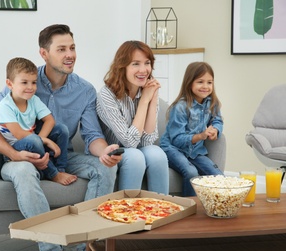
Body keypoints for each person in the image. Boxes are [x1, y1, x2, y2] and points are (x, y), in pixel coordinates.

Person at [0, 24, 121, 251]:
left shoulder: (85, 90)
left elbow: (92, 136)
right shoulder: (24, 80)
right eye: (62, 49)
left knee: (105, 168)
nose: (70, 55)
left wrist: (105, 151)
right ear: (44, 54)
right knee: (24, 171)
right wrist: (14, 155)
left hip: (61, 156)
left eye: (73, 48)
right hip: (21, 156)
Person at [96, 40, 169, 194]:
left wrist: (153, 98)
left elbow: (148, 141)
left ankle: (162, 209)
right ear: (122, 67)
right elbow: (129, 142)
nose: (143, 70)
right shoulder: (107, 94)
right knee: (135, 156)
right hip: (114, 151)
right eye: (135, 64)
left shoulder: (148, 89)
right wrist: (144, 101)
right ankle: (128, 212)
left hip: (136, 148)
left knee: (157, 154)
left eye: (147, 63)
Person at [0, 57, 76, 185]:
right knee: (33, 139)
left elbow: (50, 120)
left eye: (33, 82)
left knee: (62, 129)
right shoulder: (5, 106)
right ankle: (53, 174)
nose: (30, 87)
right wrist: (44, 140)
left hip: (34, 141)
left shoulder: (33, 100)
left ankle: (60, 169)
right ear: (10, 84)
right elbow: (19, 134)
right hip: (15, 148)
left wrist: (41, 138)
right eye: (24, 82)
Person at [160, 62, 224, 197]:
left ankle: (218, 205)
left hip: (195, 151)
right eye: (200, 82)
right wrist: (201, 136)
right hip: (173, 149)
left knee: (218, 176)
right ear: (190, 83)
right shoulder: (180, 107)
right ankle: (190, 206)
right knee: (191, 172)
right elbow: (177, 140)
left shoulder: (212, 103)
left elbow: (217, 120)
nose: (205, 86)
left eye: (209, 82)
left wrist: (216, 130)